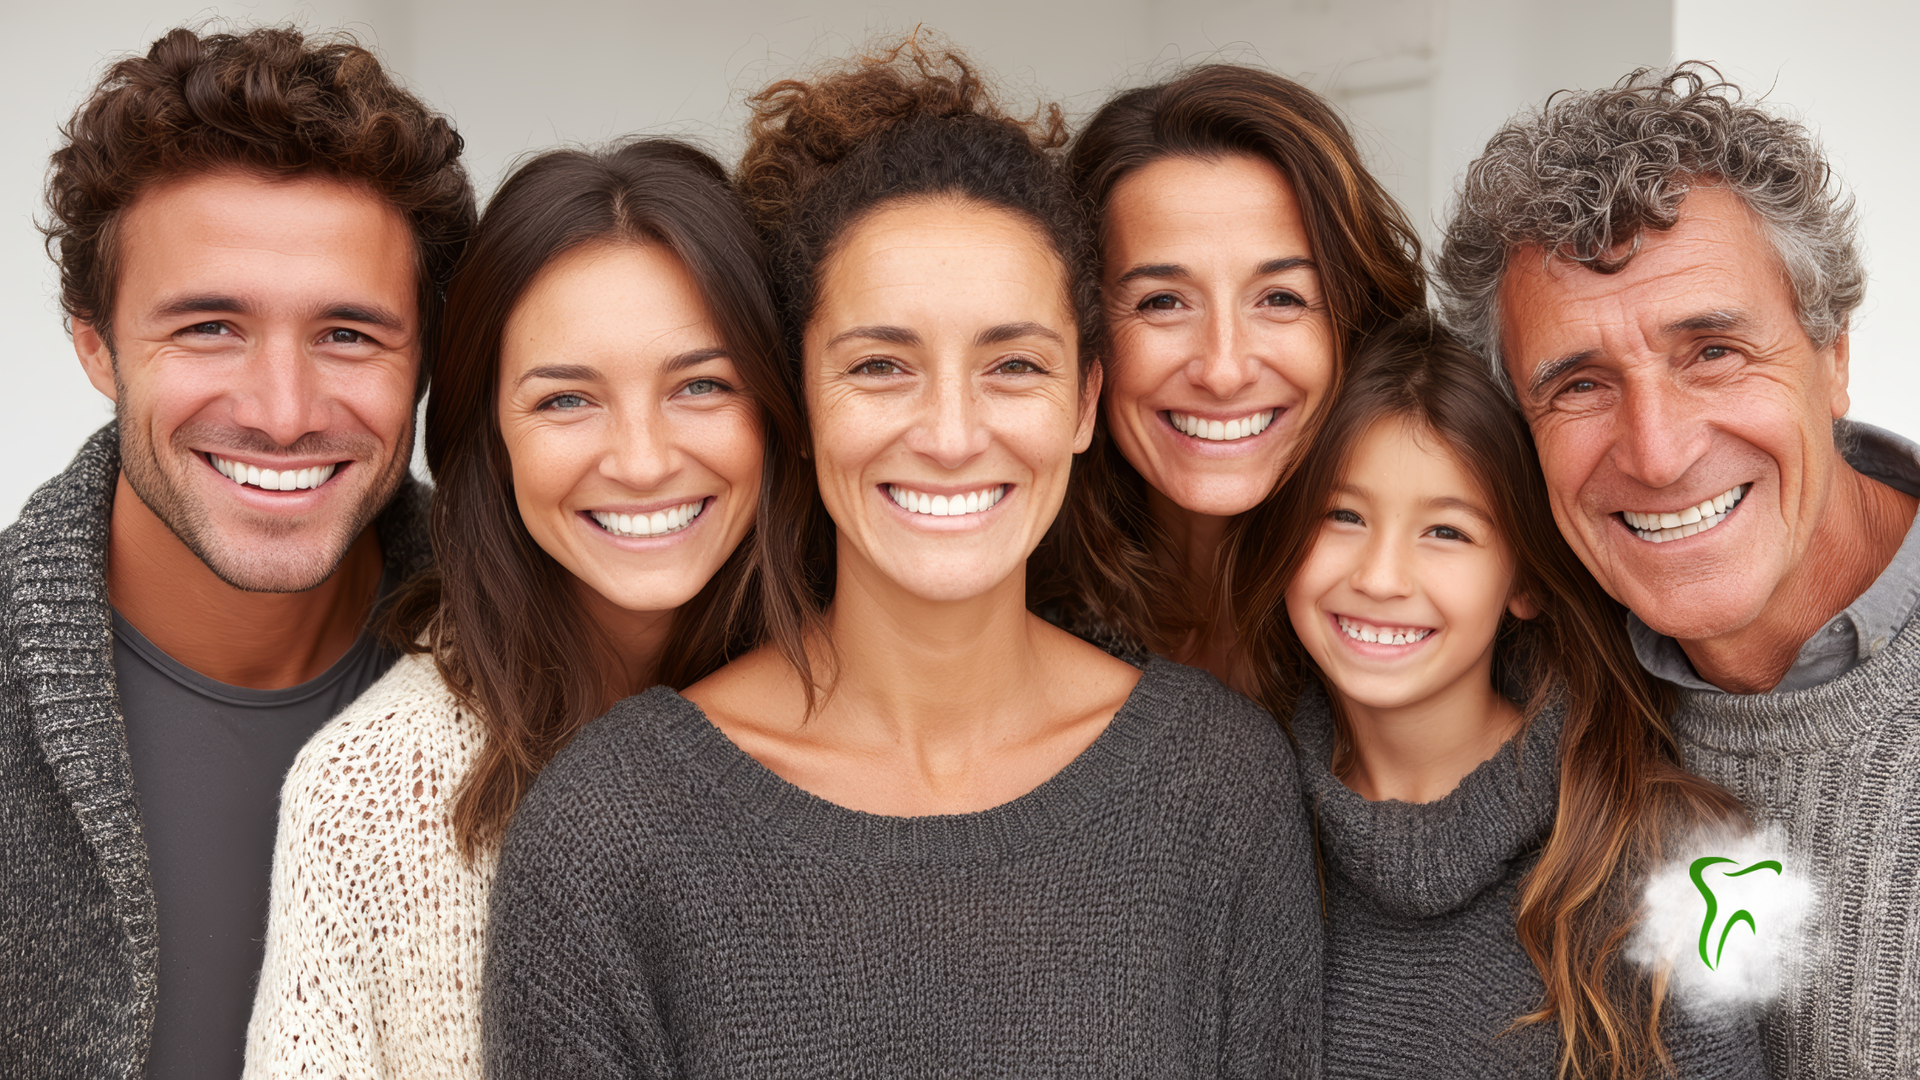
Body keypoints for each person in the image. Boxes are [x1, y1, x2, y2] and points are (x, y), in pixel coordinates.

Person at [482, 39, 1321, 1077]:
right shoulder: (608, 831)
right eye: (881, 365)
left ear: (1085, 402)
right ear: (797, 404)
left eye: (1014, 365)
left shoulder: (1220, 787)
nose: (952, 435)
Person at [241, 140, 791, 1078]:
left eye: (701, 385)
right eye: (566, 399)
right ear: (488, 434)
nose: (642, 460)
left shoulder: (885, 724)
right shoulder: (366, 802)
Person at [0, 27, 473, 1079]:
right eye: (210, 327)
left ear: (429, 359)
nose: (283, 412)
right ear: (95, 343)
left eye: (349, 334)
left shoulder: (557, 668)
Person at [1433, 65, 1920, 1077]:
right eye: (1579, 384)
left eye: (1713, 352)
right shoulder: (1519, 694)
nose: (1656, 454)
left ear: (1833, 355)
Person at [1236, 313, 1764, 1078]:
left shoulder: (1661, 865)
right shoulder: (1239, 819)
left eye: (1446, 532)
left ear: (1523, 580)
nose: (1379, 577)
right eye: (1343, 517)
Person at [1053, 65, 1425, 682]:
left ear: (1355, 323)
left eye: (1281, 298)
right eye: (1162, 302)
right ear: (1082, 332)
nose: (1223, 372)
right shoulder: (1016, 616)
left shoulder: (1459, 628)